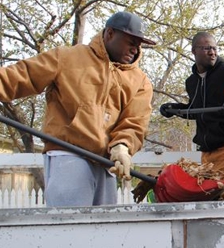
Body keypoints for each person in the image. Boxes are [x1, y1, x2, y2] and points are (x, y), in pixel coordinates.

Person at [0, 11, 155, 207]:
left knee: (103, 231)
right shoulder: (67, 58)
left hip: (106, 163)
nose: (136, 49)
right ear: (109, 34)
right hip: (67, 155)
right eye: (131, 42)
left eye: (139, 44)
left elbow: (135, 121)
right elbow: (19, 77)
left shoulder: (140, 81)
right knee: (70, 227)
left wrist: (122, 146)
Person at [160, 31, 224, 200]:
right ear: (194, 51)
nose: (212, 52)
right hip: (208, 154)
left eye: (214, 48)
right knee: (212, 205)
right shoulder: (192, 82)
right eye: (206, 48)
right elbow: (197, 111)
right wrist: (174, 109)